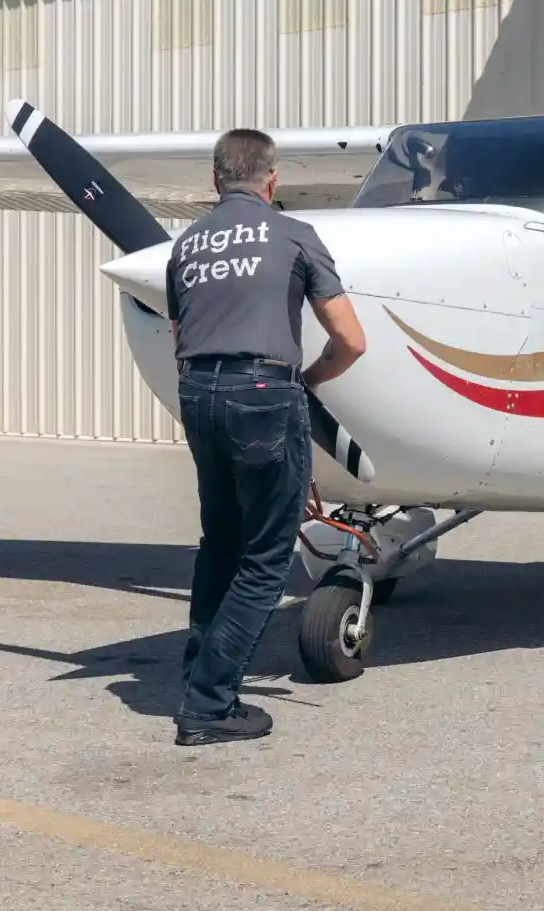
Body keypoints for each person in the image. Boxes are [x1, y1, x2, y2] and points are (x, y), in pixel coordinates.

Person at [166, 128, 367, 745]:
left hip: (199, 395)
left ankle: (199, 666)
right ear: (271, 180)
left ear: (215, 181)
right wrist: (307, 379)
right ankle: (208, 704)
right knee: (265, 558)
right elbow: (352, 340)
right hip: (263, 394)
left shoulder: (187, 244)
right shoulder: (294, 235)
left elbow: (180, 337)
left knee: (220, 541)